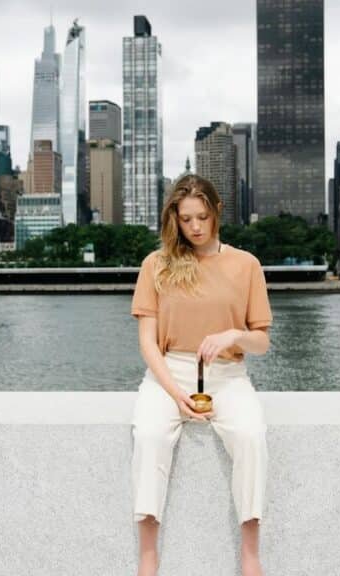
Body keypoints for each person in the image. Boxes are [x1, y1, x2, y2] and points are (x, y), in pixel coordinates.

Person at [130, 174, 272, 576]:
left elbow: (262, 342)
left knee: (251, 437)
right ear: (174, 218)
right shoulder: (155, 265)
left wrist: (236, 334)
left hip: (227, 373)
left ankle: (250, 553)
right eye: (186, 218)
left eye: (202, 217)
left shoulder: (246, 265)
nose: (194, 227)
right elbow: (148, 343)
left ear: (217, 213)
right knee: (150, 436)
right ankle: (147, 555)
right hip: (167, 371)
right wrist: (175, 394)